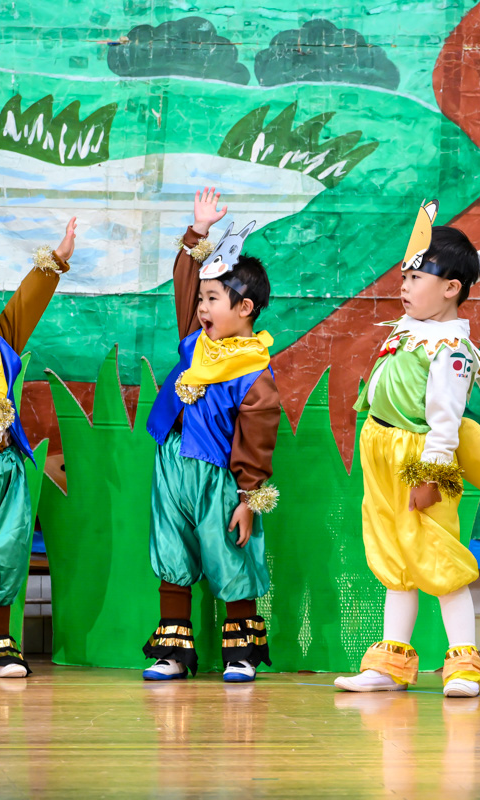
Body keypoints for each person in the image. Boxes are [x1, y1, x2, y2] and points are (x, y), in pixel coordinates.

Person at [334, 201, 480, 698]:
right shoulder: (420, 320)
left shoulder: (450, 350)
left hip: (419, 459)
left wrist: (429, 478)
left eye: (416, 278)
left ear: (449, 290)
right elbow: (472, 265)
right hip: (381, 448)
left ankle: (464, 665)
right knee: (395, 560)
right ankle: (390, 665)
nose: (404, 286)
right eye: (404, 276)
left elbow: (445, 424)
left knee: (440, 561)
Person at [141, 188, 281, 683]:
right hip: (172, 464)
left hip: (219, 476)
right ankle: (173, 653)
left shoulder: (254, 375)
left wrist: (247, 498)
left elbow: (257, 440)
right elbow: (185, 279)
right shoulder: (195, 340)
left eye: (213, 299)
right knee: (171, 552)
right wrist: (198, 232)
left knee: (231, 555)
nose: (201, 307)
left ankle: (241, 653)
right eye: (201, 299)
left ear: (245, 308)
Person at [0, 218, 77, 677]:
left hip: (5, 473)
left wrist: (56, 260)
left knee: (4, 553)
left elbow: (25, 305)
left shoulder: (1, 350)